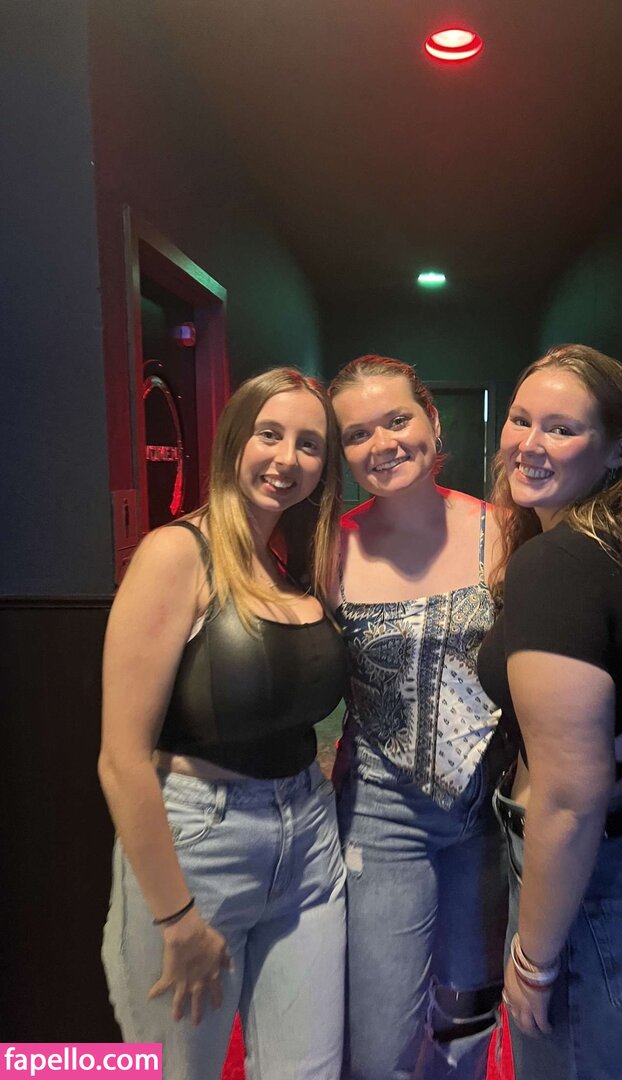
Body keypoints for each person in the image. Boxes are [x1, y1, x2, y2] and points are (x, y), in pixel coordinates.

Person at [99, 368, 348, 1080]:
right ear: (235, 439)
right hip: (198, 845)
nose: (286, 458)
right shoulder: (176, 553)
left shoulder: (289, 564)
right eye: (270, 434)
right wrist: (175, 918)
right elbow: (121, 759)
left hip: (309, 840)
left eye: (309, 444)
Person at [477, 344, 622, 1080]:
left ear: (616, 451)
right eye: (520, 419)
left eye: (561, 428)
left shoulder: (557, 564)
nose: (529, 443)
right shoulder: (620, 543)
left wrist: (535, 960)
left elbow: (571, 796)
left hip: (591, 882)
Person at [327, 355, 512, 1080]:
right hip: (380, 815)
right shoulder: (330, 545)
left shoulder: (504, 531)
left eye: (397, 420)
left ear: (431, 422)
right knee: (379, 1042)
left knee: (467, 1019)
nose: (382, 444)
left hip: (486, 814)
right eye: (357, 434)